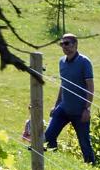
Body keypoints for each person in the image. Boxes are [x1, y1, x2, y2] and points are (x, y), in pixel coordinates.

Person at [40, 34, 96, 163]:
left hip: (80, 111)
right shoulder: (61, 62)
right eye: (62, 44)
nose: (64, 46)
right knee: (48, 136)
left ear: (75, 45)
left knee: (84, 143)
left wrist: (87, 108)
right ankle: (55, 160)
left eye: (67, 43)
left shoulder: (84, 62)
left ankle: (92, 167)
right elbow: (63, 85)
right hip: (64, 109)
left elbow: (90, 87)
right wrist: (56, 105)